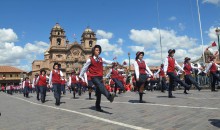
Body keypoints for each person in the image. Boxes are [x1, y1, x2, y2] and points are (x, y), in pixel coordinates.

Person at [79, 45, 115, 112]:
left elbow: (107, 61)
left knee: (99, 93)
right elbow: (84, 68)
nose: (98, 51)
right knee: (100, 85)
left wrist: (112, 62)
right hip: (93, 76)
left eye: (99, 50)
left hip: (100, 76)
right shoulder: (90, 60)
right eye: (96, 50)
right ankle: (109, 96)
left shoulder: (101, 59)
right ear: (93, 51)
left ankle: (97, 106)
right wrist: (80, 76)